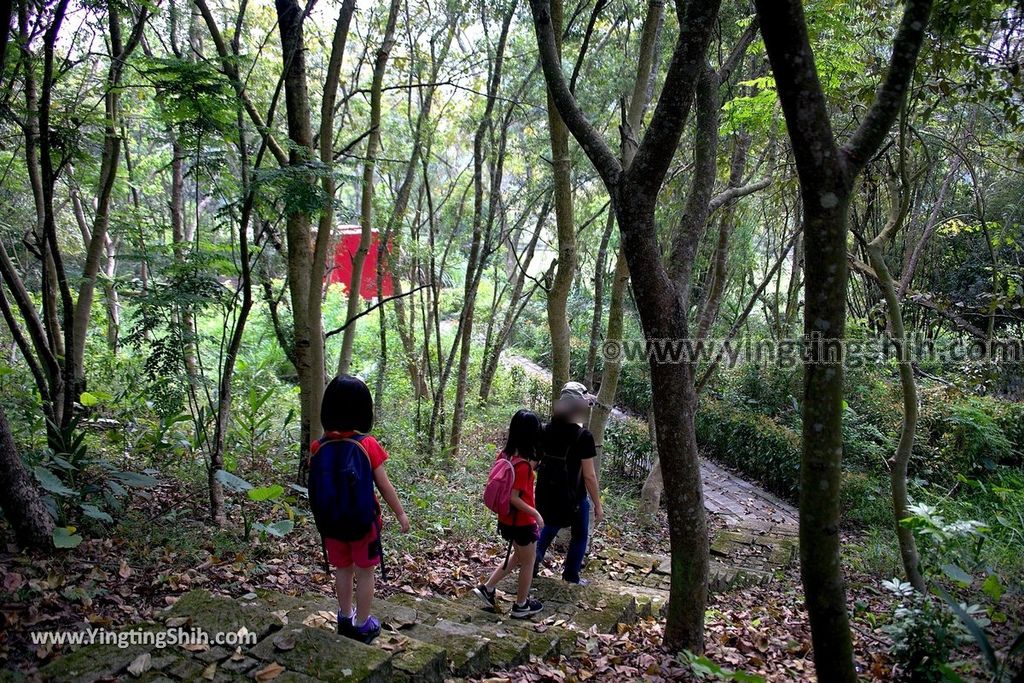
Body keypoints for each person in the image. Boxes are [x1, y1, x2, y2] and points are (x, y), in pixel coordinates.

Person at [311, 375, 410, 644]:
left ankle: (344, 618)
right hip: (363, 525)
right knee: (365, 571)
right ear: (362, 410)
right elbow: (384, 486)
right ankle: (363, 623)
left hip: (332, 524)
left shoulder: (318, 446)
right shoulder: (367, 445)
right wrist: (400, 513)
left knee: (343, 569)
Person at [473, 409, 546, 619]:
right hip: (522, 522)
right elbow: (515, 497)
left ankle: (487, 588)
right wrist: (536, 514)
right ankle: (521, 605)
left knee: (518, 556)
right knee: (528, 562)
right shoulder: (522, 466)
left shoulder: (505, 455)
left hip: (506, 519)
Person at [534, 381, 604, 584]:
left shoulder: (545, 429)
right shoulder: (583, 436)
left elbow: (535, 461)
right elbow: (589, 476)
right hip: (573, 495)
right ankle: (571, 575)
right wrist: (598, 505)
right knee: (580, 534)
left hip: (546, 491)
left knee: (549, 525)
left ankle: (532, 562)